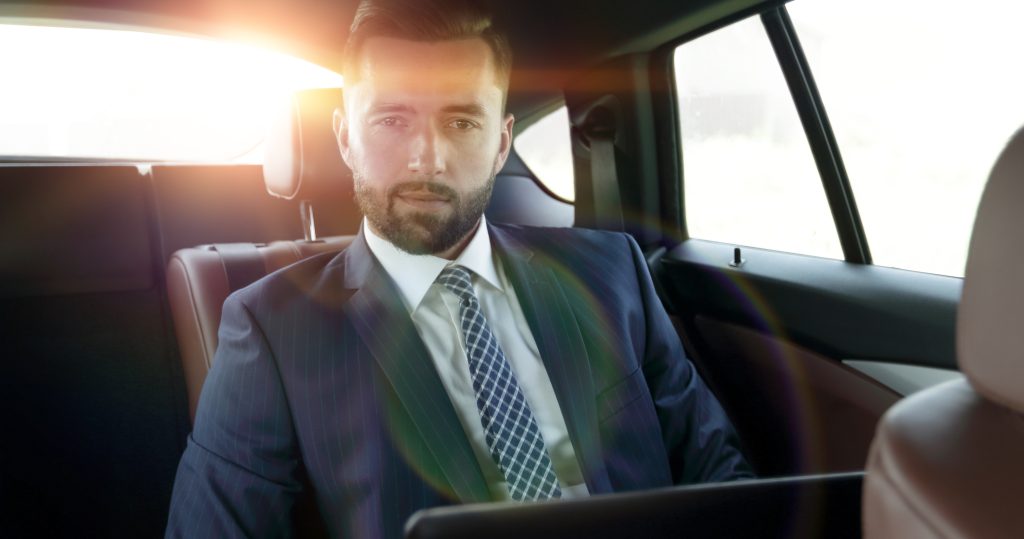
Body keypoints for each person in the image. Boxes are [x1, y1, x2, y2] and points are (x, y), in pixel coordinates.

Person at [165, 0, 752, 537]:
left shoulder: (613, 271)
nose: (429, 157)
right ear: (345, 138)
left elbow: (719, 475)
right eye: (392, 120)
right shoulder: (270, 330)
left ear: (500, 144)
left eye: (462, 122)